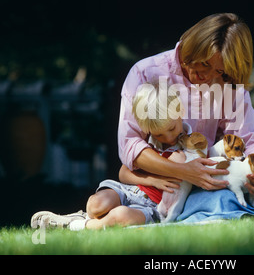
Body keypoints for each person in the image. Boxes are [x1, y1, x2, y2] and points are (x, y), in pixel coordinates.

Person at [118, 13, 254, 196]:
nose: (208, 76)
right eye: (205, 64)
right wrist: (183, 171)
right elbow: (129, 144)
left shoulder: (227, 84)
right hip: (156, 186)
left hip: (207, 184)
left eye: (219, 70)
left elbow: (251, 139)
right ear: (194, 47)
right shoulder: (145, 73)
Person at [31, 84, 196, 229]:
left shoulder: (193, 144)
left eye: (172, 129)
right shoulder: (148, 143)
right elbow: (123, 173)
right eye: (159, 134)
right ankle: (86, 215)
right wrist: (153, 180)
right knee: (96, 205)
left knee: (121, 216)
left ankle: (78, 225)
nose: (167, 138)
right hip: (132, 190)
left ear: (180, 111)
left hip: (154, 206)